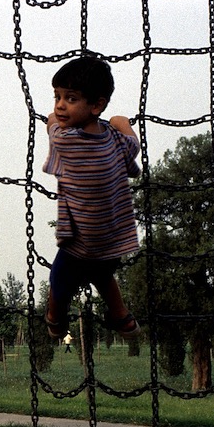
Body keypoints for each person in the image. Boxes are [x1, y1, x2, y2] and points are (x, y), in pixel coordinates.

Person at [41, 55, 141, 341]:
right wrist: (121, 121)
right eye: (57, 96)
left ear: (96, 105)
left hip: (81, 239)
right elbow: (132, 144)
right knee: (103, 275)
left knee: (59, 281)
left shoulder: (65, 140)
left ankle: (55, 318)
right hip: (112, 238)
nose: (59, 105)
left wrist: (52, 120)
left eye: (70, 99)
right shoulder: (114, 141)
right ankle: (121, 316)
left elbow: (52, 126)